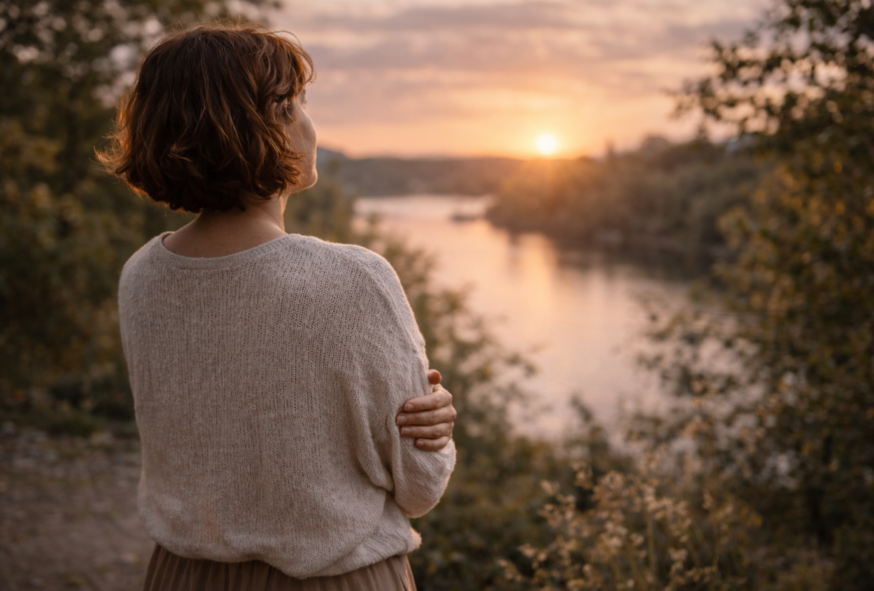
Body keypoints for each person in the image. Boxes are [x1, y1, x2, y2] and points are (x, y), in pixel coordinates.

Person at [100, 22, 457, 590]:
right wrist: (434, 434)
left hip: (179, 576)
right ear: (251, 129)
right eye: (292, 105)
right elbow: (418, 488)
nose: (309, 124)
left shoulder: (142, 274)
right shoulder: (354, 279)